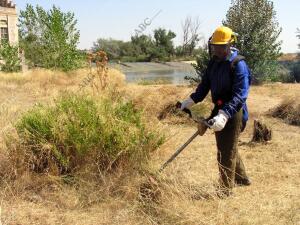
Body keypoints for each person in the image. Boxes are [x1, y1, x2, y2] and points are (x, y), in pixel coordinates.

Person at [181, 26, 251, 196]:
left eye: (221, 46)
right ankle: (242, 179)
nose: (217, 50)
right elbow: (205, 85)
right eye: (215, 46)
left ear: (230, 44)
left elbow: (240, 96)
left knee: (224, 151)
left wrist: (224, 114)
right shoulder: (214, 62)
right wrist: (191, 100)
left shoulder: (238, 65)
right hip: (219, 108)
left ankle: (225, 190)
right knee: (229, 146)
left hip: (234, 112)